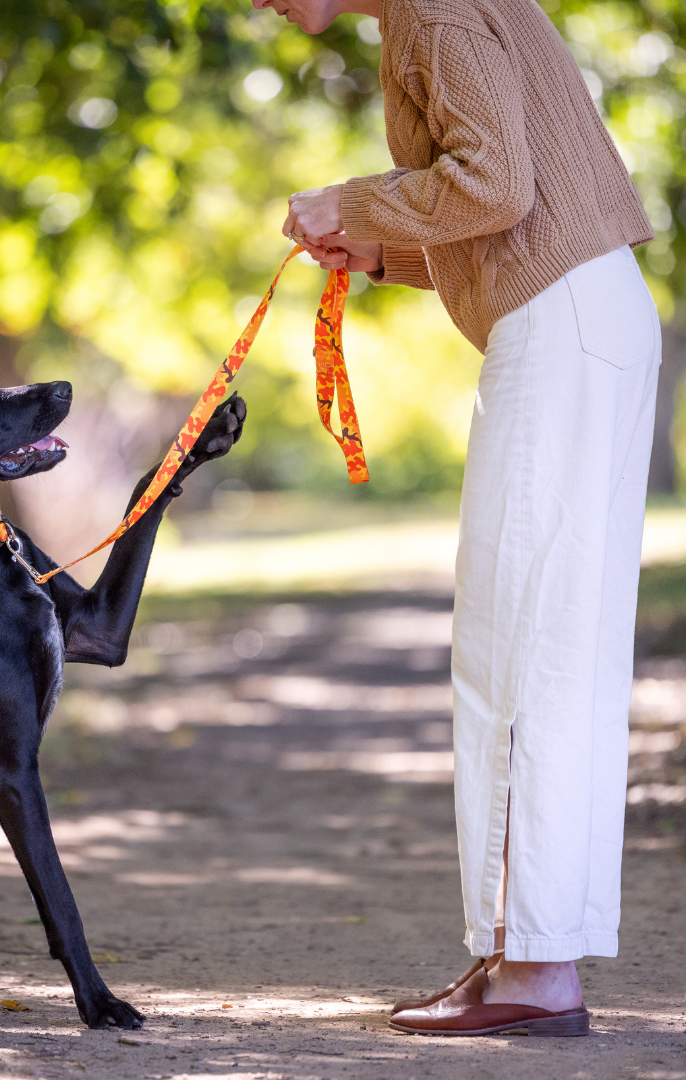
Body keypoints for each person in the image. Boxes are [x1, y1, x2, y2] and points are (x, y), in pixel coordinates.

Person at [256, 0, 659, 1036]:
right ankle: (526, 958)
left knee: (518, 651)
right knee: (548, 650)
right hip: (579, 311)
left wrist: (354, 201)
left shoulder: (431, 11)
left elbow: (494, 183)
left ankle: (533, 972)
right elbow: (507, 202)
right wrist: (376, 247)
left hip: (560, 324)